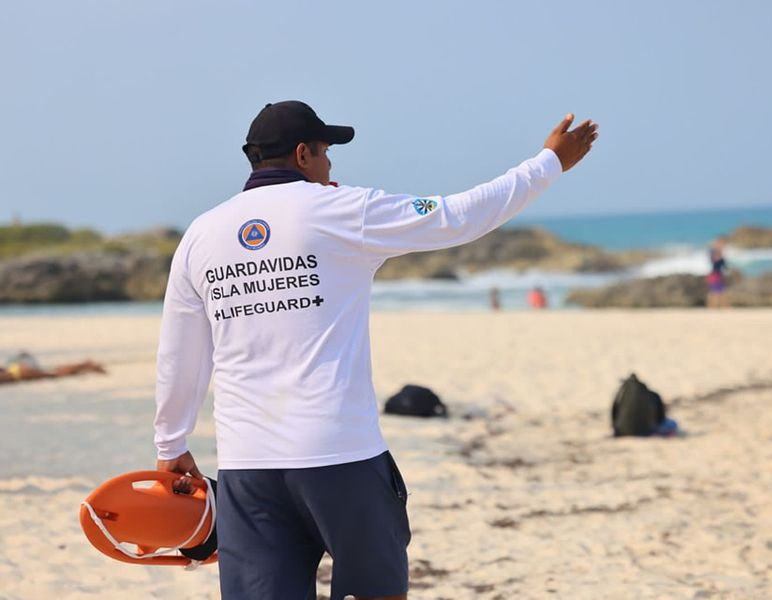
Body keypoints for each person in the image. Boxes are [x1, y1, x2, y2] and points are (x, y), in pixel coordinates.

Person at [153, 100, 597, 600]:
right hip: (341, 456)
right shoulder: (343, 210)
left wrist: (171, 445)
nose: (331, 166)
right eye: (326, 153)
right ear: (303, 154)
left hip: (248, 467)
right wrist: (549, 163)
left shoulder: (200, 235)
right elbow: (457, 216)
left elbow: (181, 352)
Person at [0, 351, 105, 384]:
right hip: (16, 369)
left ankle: (85, 365)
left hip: (18, 372)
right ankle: (85, 366)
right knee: (53, 373)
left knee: (53, 375)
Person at [706, 237, 729, 308]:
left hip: (718, 275)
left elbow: (724, 267)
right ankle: (712, 307)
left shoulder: (720, 256)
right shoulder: (714, 253)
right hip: (714, 275)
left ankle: (723, 306)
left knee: (721, 292)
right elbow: (713, 258)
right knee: (716, 293)